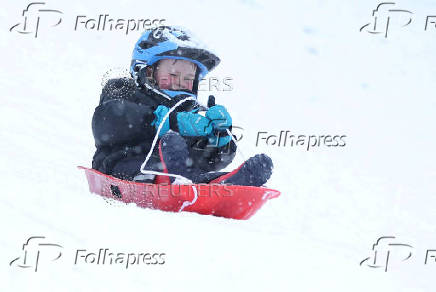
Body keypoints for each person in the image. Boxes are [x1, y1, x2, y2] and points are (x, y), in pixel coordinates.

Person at [91, 26, 273, 186]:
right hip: (123, 166)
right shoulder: (123, 90)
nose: (180, 82)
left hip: (183, 173)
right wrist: (166, 121)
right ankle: (178, 182)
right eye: (173, 74)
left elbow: (206, 160)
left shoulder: (188, 110)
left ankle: (228, 184)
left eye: (188, 78)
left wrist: (219, 138)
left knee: (197, 170)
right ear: (147, 71)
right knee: (171, 146)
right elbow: (109, 121)